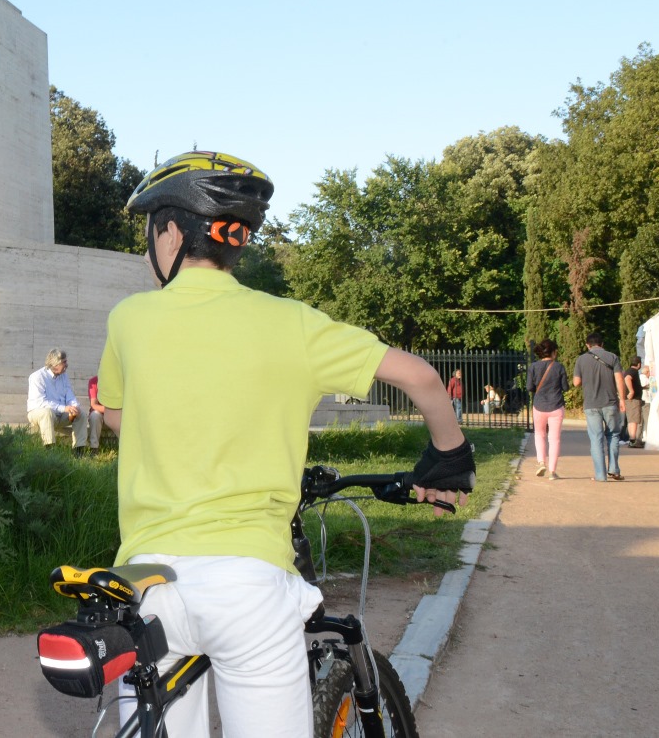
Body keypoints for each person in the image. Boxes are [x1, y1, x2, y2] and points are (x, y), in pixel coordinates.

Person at [95, 151, 471, 738]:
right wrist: (449, 459)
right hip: (249, 585)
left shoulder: (128, 319)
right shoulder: (293, 322)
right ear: (234, 242)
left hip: (146, 585)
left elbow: (116, 414)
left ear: (169, 233)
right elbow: (422, 378)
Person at [572, 332, 626, 482]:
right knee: (613, 435)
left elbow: (576, 382)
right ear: (602, 344)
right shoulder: (613, 357)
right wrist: (622, 399)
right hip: (610, 402)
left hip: (591, 404)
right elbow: (619, 379)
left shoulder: (581, 359)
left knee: (596, 438)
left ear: (587, 345)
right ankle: (614, 469)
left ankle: (600, 475)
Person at [27, 348, 99, 452]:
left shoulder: (63, 376)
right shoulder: (37, 377)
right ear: (55, 364)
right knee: (47, 412)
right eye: (64, 362)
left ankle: (79, 450)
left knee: (81, 414)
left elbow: (69, 395)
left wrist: (74, 407)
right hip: (38, 414)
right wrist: (64, 408)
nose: (67, 365)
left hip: (59, 416)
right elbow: (41, 402)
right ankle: (50, 451)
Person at [527, 339, 567, 480]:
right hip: (556, 405)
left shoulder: (533, 367)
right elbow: (566, 387)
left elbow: (529, 387)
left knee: (539, 434)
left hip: (539, 406)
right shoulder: (559, 367)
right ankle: (552, 471)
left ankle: (541, 462)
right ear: (554, 352)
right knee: (555, 439)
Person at [623, 356, 644, 446]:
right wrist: (631, 391)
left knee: (632, 419)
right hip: (633, 400)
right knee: (634, 420)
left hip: (631, 399)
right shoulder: (633, 371)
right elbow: (627, 378)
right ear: (639, 364)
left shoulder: (628, 370)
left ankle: (632, 440)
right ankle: (633, 440)